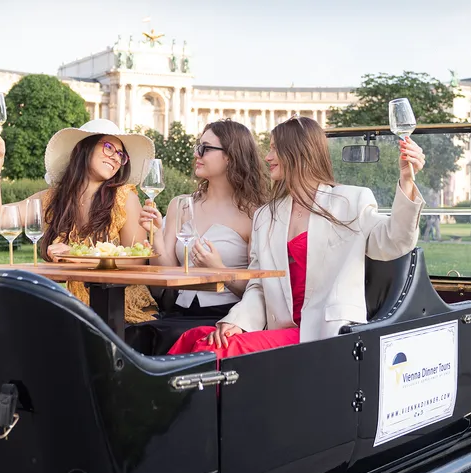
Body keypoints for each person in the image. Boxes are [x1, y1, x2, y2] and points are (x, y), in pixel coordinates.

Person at [168, 116, 426, 359]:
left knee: (212, 350)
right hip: (279, 327)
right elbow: (259, 285)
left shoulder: (351, 200)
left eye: (274, 149)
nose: (267, 157)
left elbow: (395, 241)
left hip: (325, 333)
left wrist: (406, 180)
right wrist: (236, 321)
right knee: (195, 339)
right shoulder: (266, 215)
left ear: (297, 152)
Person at [0, 119, 163, 324]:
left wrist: (77, 258)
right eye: (109, 147)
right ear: (84, 148)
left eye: (121, 154)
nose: (115, 158)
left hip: (120, 310)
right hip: (75, 309)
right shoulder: (53, 199)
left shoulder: (125, 197)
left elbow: (136, 259)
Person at [125, 119, 270, 354]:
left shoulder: (255, 213)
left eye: (205, 148)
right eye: (197, 147)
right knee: (130, 338)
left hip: (226, 318)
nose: (196, 154)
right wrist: (156, 237)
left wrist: (220, 271)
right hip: (178, 313)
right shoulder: (181, 205)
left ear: (231, 156)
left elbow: (261, 288)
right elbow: (165, 274)